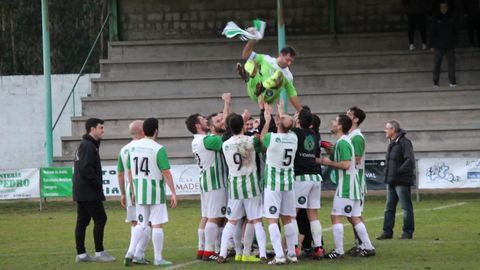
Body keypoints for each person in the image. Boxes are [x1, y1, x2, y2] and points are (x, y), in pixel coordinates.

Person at [319, 114, 375, 259]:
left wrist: (325, 162)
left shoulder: (343, 143)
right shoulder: (342, 142)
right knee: (354, 217)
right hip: (353, 184)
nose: (332, 122)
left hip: (346, 186)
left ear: (340, 126)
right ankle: (368, 247)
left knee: (336, 216)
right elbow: (337, 157)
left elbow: (345, 164)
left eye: (335, 121)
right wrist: (327, 149)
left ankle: (338, 251)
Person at [124, 118, 177, 266]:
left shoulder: (133, 148)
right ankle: (158, 258)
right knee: (157, 225)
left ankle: (130, 251)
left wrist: (133, 191)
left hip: (140, 190)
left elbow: (129, 171)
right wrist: (173, 192)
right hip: (155, 191)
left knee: (141, 224)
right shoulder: (158, 148)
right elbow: (166, 172)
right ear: (156, 131)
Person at [217, 114, 267, 264]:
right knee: (257, 220)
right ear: (244, 125)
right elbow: (262, 145)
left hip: (235, 186)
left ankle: (222, 254)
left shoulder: (225, 144)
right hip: (251, 185)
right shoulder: (251, 141)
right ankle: (263, 254)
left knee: (231, 221)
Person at [73, 118, 116, 263]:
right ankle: (99, 252)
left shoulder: (88, 145)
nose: (103, 131)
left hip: (82, 191)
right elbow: (86, 168)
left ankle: (82, 255)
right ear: (92, 129)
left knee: (83, 221)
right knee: (100, 218)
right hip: (88, 191)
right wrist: (97, 183)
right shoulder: (87, 146)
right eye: (101, 128)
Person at [185, 113, 228, 261]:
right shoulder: (206, 140)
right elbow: (227, 139)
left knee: (207, 216)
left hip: (205, 182)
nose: (206, 121)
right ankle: (210, 251)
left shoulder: (197, 140)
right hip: (215, 182)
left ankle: (202, 248)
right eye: (203, 120)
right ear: (198, 125)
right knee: (215, 218)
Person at [260, 104, 299, 265]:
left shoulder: (272, 138)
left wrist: (267, 120)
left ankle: (279, 255)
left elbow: (262, 138)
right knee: (288, 218)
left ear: (278, 124)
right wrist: (281, 113)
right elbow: (286, 126)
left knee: (272, 219)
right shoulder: (294, 138)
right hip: (288, 184)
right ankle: (291, 253)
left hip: (273, 184)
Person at [291, 108, 325, 259]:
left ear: (298, 120)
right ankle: (318, 248)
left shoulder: (295, 134)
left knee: (292, 214)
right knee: (313, 216)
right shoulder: (314, 135)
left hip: (301, 178)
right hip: (315, 177)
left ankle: (294, 248)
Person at [237, 38, 303, 112]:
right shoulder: (265, 59)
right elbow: (245, 55)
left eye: (291, 61)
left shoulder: (288, 75)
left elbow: (292, 94)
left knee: (279, 75)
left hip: (267, 97)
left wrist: (301, 111)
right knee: (251, 62)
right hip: (254, 89)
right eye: (287, 60)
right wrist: (251, 41)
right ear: (281, 55)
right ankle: (248, 75)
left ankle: (263, 86)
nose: (289, 63)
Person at [117, 120, 151, 265]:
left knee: (134, 222)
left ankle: (134, 253)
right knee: (146, 222)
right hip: (141, 188)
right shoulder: (144, 147)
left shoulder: (124, 149)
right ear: (143, 131)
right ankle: (138, 254)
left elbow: (120, 173)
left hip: (129, 188)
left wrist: (123, 193)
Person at [377, 120, 416, 240]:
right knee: (389, 207)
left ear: (393, 130)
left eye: (387, 128)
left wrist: (398, 171)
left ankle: (407, 232)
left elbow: (410, 160)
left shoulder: (404, 142)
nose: (385, 130)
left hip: (401, 180)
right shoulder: (392, 142)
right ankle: (387, 231)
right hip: (391, 180)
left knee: (405, 207)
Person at [346, 106, 368, 256]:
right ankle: (360, 243)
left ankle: (364, 245)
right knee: (351, 214)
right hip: (351, 179)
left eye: (349, 114)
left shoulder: (357, 137)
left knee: (355, 214)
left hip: (357, 181)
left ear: (356, 119)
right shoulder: (351, 136)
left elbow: (358, 159)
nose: (346, 115)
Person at [429, 0, 457, 87]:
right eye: (441, 7)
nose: (443, 9)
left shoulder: (451, 18)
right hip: (439, 45)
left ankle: (452, 81)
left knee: (451, 64)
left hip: (450, 45)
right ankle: (435, 82)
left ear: (447, 8)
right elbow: (432, 32)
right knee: (437, 64)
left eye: (445, 7)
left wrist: (455, 42)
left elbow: (455, 31)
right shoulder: (436, 18)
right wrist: (431, 45)